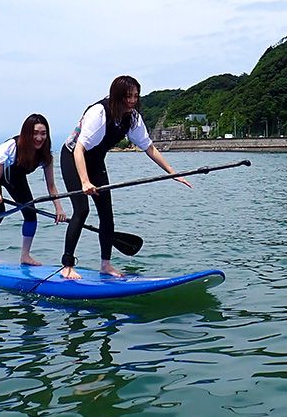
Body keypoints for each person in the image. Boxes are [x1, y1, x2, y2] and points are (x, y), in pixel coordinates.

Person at [59, 75, 192, 279]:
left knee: (106, 212)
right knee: (82, 209)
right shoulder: (99, 113)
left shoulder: (133, 118)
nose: (132, 100)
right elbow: (79, 149)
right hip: (72, 157)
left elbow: (149, 147)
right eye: (128, 96)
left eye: (136, 96)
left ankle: (106, 265)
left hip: (95, 161)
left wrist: (173, 173)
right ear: (117, 95)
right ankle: (67, 265)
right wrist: (85, 181)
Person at [0, 113, 66, 268]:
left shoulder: (46, 155)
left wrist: (59, 208)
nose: (39, 138)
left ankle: (25, 256)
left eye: (43, 133)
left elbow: (51, 185)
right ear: (27, 133)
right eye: (35, 133)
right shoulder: (10, 148)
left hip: (15, 178)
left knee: (31, 213)